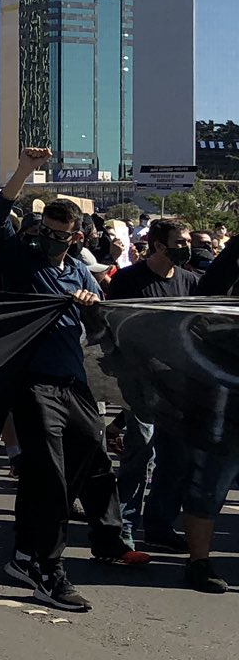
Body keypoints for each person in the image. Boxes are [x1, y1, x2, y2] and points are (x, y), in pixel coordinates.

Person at [0, 147, 149, 613]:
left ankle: (89, 542)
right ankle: (47, 569)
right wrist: (23, 171)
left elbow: (99, 328)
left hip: (72, 380)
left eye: (63, 234)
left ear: (77, 236)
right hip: (32, 381)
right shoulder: (22, 260)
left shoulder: (79, 269)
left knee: (94, 461)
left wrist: (91, 306)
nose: (55, 240)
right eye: (48, 232)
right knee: (49, 475)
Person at [105, 219, 227, 593]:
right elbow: (114, 328)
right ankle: (122, 529)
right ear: (157, 245)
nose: (186, 246)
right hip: (140, 380)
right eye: (179, 241)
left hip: (178, 384)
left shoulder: (190, 282)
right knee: (139, 452)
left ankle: (159, 526)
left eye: (188, 240)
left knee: (176, 458)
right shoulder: (128, 281)